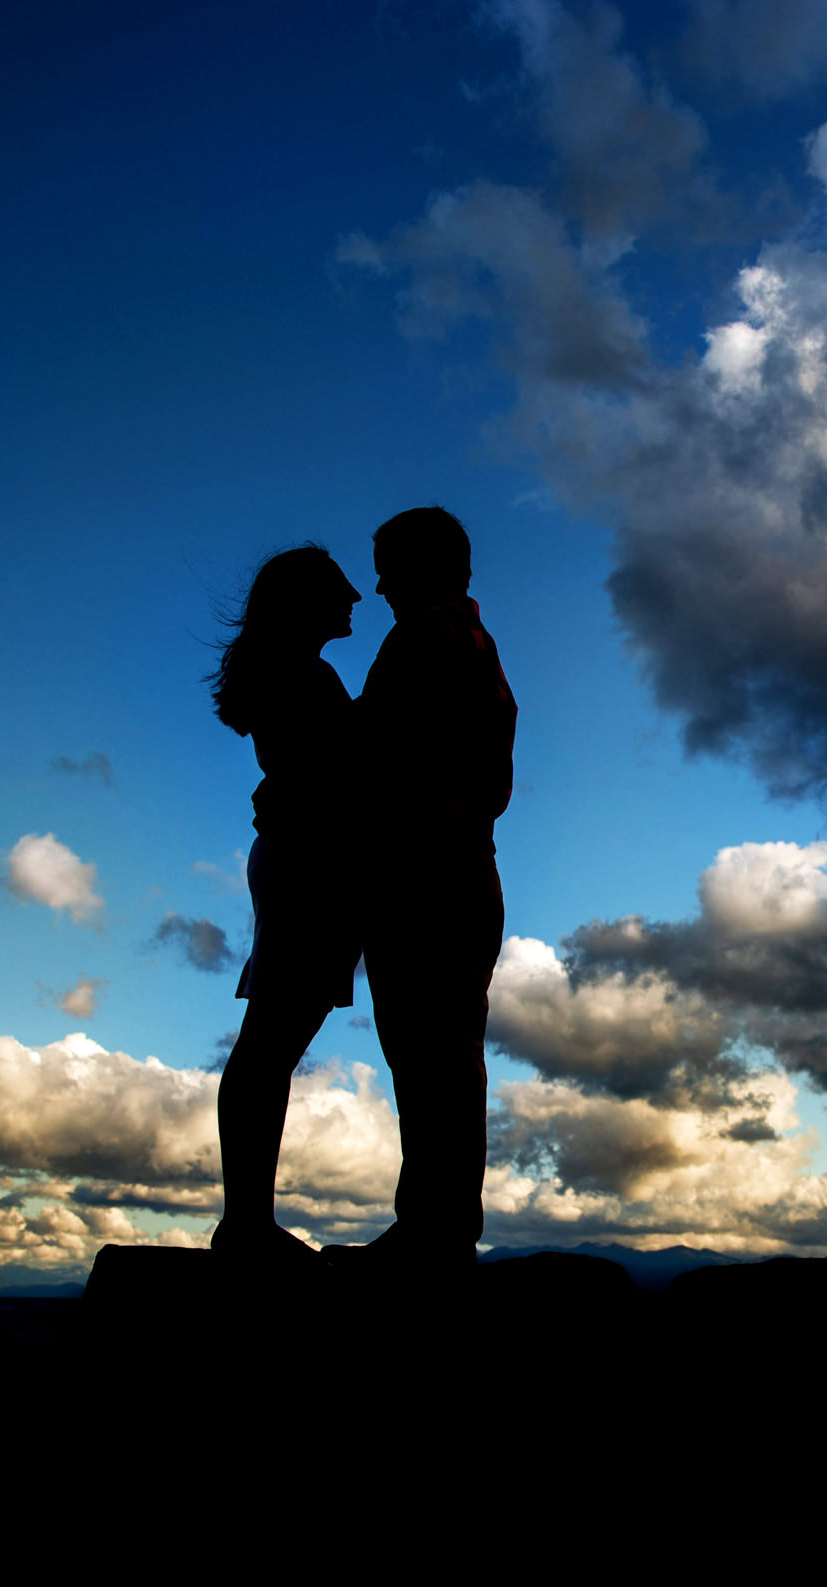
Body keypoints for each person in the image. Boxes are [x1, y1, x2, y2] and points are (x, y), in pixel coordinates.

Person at [356, 506, 516, 1275]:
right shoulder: (467, 639)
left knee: (431, 1057)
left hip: (431, 876)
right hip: (454, 872)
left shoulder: (429, 636)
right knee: (440, 1056)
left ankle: (434, 1232)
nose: (378, 583)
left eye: (389, 564)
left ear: (427, 565)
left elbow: (384, 758)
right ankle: (436, 1226)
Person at [205, 543, 363, 1260]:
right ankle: (245, 1225)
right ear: (306, 602)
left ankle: (247, 1221)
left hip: (299, 864)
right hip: (308, 868)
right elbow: (341, 775)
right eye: (340, 588)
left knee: (270, 1045)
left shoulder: (295, 675)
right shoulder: (306, 678)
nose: (357, 596)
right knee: (269, 1046)